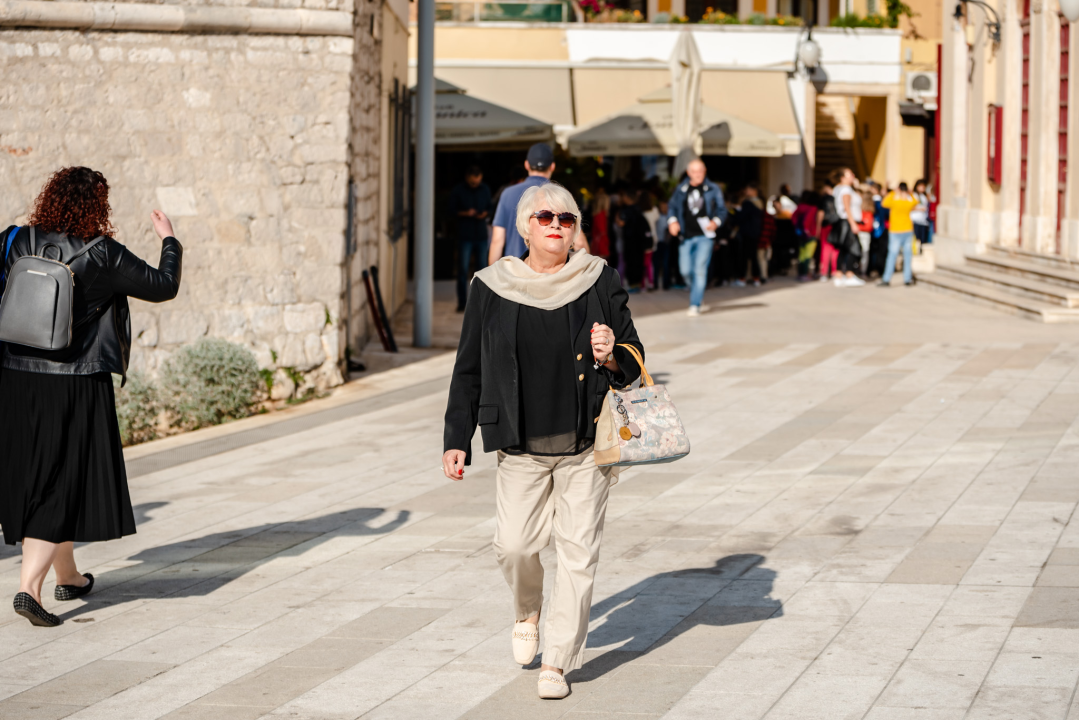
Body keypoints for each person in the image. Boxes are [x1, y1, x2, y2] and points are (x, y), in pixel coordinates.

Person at [441, 181, 643, 700]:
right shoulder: (491, 285)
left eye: (567, 219)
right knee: (513, 546)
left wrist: (610, 354)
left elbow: (634, 357)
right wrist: (456, 436)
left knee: (578, 553)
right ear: (526, 227)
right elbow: (469, 367)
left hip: (586, 443)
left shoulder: (600, 279)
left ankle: (557, 661)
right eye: (546, 217)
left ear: (576, 230)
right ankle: (526, 608)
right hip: (520, 444)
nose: (557, 225)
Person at [0, 167, 183, 627]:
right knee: (62, 480)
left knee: (41, 472)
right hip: (74, 381)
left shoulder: (14, 239)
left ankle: (71, 578)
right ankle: (28, 589)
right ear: (98, 205)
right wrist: (169, 240)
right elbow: (164, 287)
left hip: (17, 376)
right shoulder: (102, 253)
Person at [667, 158, 727, 316]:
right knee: (685, 270)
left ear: (704, 171)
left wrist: (716, 221)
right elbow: (672, 207)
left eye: (700, 171)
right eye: (694, 171)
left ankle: (695, 303)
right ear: (688, 173)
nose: (697, 174)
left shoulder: (713, 188)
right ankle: (697, 291)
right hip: (685, 236)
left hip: (705, 236)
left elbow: (722, 209)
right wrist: (672, 221)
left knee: (699, 269)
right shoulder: (681, 188)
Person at [489, 143, 556, 264]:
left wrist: (492, 278)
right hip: (549, 274)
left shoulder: (507, 193)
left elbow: (497, 241)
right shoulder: (560, 196)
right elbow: (579, 242)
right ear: (552, 166)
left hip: (514, 271)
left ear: (526, 165)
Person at [447, 165, 492, 312]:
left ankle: (480, 303)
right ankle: (462, 303)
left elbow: (490, 208)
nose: (475, 184)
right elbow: (451, 211)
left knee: (482, 271)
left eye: (478, 181)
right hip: (464, 235)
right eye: (473, 182)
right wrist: (466, 213)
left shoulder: (485, 189)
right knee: (463, 270)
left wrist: (484, 213)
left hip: (480, 234)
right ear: (467, 178)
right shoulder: (458, 190)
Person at [879, 182, 919, 286]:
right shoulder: (908, 203)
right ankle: (907, 279)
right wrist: (910, 194)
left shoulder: (894, 202)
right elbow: (916, 201)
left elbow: (884, 203)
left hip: (895, 231)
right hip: (907, 230)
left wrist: (893, 192)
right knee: (907, 255)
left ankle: (886, 279)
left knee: (892, 255)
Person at [830, 168, 865, 287]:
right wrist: (853, 224)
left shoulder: (838, 188)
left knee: (844, 249)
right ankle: (849, 274)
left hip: (842, 222)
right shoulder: (845, 189)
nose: (853, 176)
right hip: (848, 221)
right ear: (843, 177)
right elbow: (847, 207)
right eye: (850, 174)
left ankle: (839, 275)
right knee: (855, 249)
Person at [614, 186, 650, 292]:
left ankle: (633, 285)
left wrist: (617, 216)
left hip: (630, 242)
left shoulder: (626, 211)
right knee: (638, 263)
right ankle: (637, 285)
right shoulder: (639, 209)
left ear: (627, 197)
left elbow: (621, 223)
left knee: (631, 263)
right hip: (639, 242)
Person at [736, 184, 765, 286]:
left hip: (746, 233)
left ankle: (742, 279)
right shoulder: (760, 202)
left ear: (754, 190)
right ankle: (756, 278)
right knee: (754, 257)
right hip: (756, 232)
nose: (746, 192)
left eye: (748, 190)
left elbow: (741, 218)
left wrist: (737, 209)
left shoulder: (747, 203)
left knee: (744, 257)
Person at [791, 191, 820, 281]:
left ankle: (800, 273)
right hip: (810, 234)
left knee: (801, 255)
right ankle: (804, 274)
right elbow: (807, 220)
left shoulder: (800, 206)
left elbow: (793, 217)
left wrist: (797, 228)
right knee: (808, 256)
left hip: (800, 234)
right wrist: (807, 230)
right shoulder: (813, 208)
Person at [818, 181, 838, 282]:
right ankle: (834, 272)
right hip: (836, 225)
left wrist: (817, 227)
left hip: (826, 226)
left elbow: (821, 213)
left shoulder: (824, 199)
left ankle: (824, 273)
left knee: (825, 249)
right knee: (835, 249)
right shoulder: (837, 198)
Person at [590, 186, 611, 260]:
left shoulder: (597, 214)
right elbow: (601, 230)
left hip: (597, 241)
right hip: (601, 242)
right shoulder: (601, 215)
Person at [911, 179, 932, 248]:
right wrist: (920, 209)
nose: (923, 188)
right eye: (921, 186)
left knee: (923, 241)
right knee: (916, 240)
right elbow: (909, 207)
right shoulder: (913, 195)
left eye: (924, 186)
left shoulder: (924, 196)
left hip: (923, 221)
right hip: (915, 220)